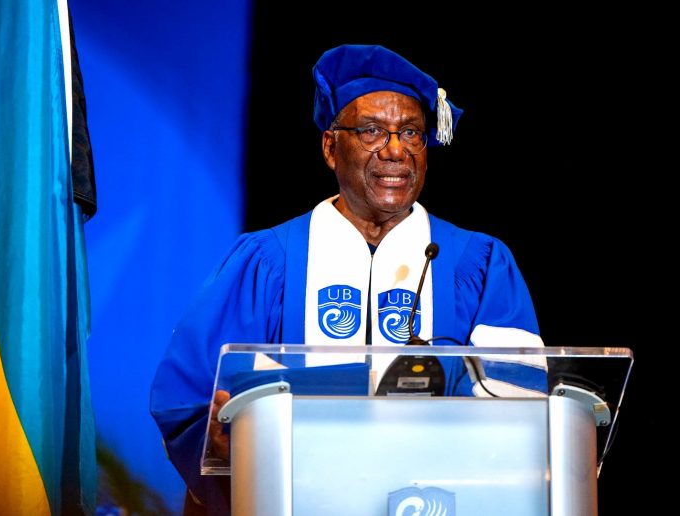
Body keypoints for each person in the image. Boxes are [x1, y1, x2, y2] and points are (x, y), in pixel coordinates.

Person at [150, 44, 546, 515]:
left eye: (412, 133)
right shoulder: (268, 261)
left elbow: (522, 401)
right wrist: (220, 443)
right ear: (330, 148)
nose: (396, 150)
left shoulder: (477, 264)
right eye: (372, 131)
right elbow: (191, 399)